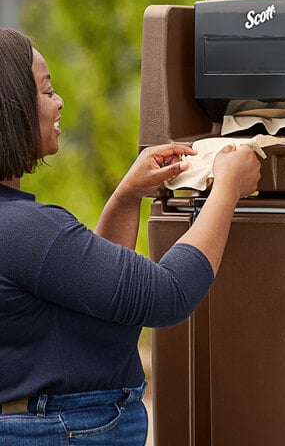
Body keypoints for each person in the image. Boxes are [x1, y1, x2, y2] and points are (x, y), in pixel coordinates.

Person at [0, 28, 261, 445]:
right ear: (11, 109)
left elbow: (103, 297)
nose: (59, 101)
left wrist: (127, 197)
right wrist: (228, 189)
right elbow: (166, 295)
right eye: (47, 91)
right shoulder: (25, 230)